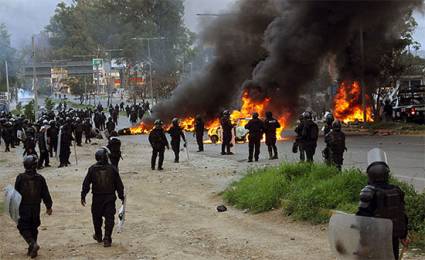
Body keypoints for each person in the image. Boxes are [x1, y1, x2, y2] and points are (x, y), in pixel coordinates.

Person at [356, 148, 409, 260]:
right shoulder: (397, 190)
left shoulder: (368, 191)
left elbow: (362, 219)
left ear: (370, 174)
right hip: (393, 237)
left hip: (375, 238)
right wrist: (404, 235)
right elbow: (402, 215)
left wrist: (362, 241)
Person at [81, 148, 125, 247]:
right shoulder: (112, 168)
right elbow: (119, 184)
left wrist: (83, 195)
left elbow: (86, 183)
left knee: (96, 218)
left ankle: (99, 235)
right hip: (109, 197)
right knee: (109, 218)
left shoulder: (92, 169)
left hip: (97, 198)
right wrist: (121, 196)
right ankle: (107, 238)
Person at [15, 155, 53, 258]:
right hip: (36, 207)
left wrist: (14, 208)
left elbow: (15, 194)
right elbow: (46, 194)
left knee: (23, 227)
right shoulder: (40, 178)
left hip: (24, 207)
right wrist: (49, 206)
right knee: (33, 227)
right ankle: (32, 249)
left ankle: (32, 244)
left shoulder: (20, 178)